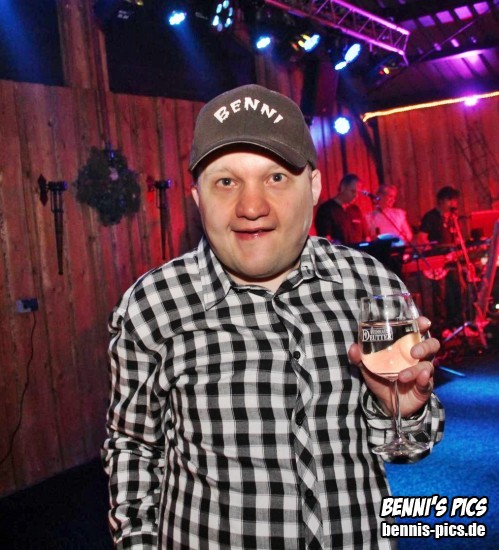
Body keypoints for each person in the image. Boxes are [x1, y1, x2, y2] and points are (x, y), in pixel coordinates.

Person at [102, 84, 444, 550]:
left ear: (314, 187)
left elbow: (413, 448)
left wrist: (401, 409)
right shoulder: (153, 306)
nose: (251, 207)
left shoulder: (370, 286)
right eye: (226, 182)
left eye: (276, 177)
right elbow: (132, 448)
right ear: (198, 198)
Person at [418, 186, 463, 330]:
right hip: (437, 262)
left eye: (455, 200)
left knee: (456, 289)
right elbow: (422, 238)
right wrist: (434, 254)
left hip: (451, 260)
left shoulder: (452, 219)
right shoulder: (430, 217)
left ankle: (457, 324)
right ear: (441, 201)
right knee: (440, 295)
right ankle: (442, 327)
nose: (453, 204)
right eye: (450, 200)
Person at [314, 173, 368, 245]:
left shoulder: (356, 210)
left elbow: (365, 237)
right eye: (353, 191)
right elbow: (325, 239)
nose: (356, 195)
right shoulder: (326, 209)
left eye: (358, 192)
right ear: (342, 188)